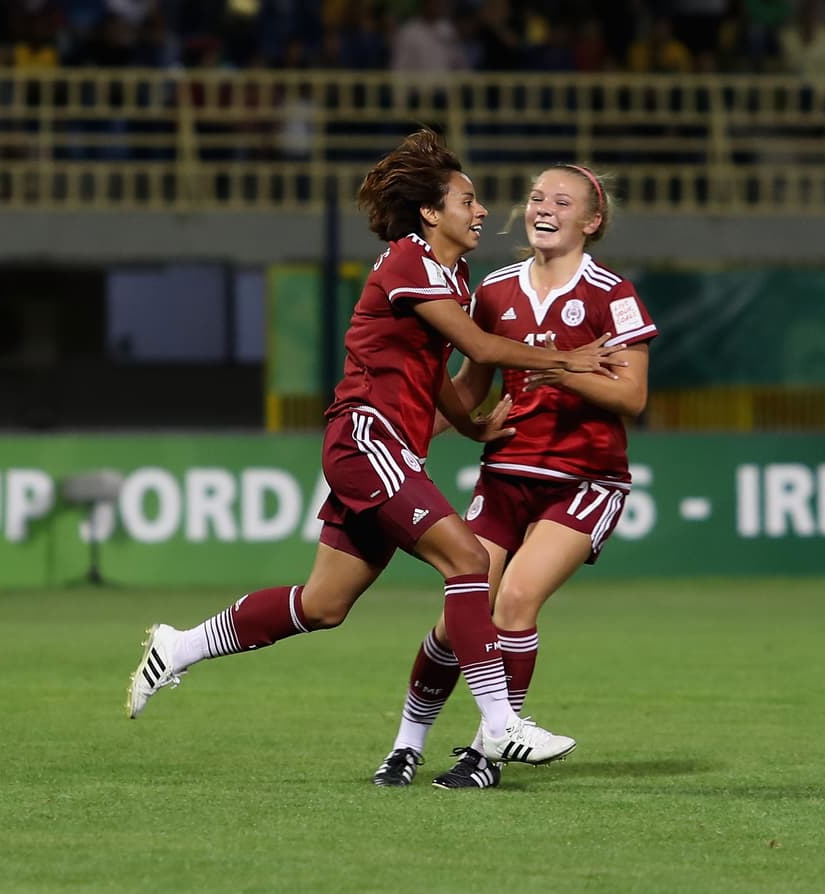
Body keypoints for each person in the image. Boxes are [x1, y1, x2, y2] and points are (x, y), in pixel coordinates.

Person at [126, 129, 627, 772]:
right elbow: (480, 348)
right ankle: (500, 725)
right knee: (470, 561)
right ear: (430, 211)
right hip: (367, 437)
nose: (480, 212)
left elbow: (438, 370)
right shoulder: (407, 261)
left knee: (323, 604)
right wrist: (568, 357)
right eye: (466, 200)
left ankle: (181, 645)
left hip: (386, 449)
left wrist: (470, 427)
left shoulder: (454, 271)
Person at [371, 163, 657, 789]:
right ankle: (405, 747)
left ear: (592, 220)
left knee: (517, 600)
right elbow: (471, 388)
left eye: (561, 200)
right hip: (505, 474)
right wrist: (407, 432)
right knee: (457, 620)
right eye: (534, 197)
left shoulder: (613, 293)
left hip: (586, 480)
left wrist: (562, 372)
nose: (542, 208)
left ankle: (486, 754)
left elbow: (632, 396)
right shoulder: (494, 290)